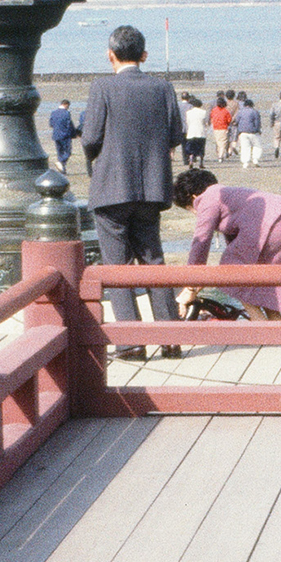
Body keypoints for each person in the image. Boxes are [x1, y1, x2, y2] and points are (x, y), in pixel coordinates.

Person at [78, 24, 186, 357]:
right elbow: (176, 134)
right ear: (144, 55)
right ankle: (170, 338)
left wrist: (97, 158)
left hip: (111, 186)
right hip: (152, 186)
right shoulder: (162, 87)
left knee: (117, 264)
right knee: (153, 258)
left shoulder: (103, 87)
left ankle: (130, 341)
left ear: (110, 55)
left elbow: (91, 137)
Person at [172, 168, 281, 321]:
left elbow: (201, 242)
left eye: (190, 209)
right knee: (264, 279)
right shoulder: (232, 194)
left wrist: (190, 286)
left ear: (193, 197)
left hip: (274, 225)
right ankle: (277, 325)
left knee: (233, 271)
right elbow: (236, 243)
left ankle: (259, 323)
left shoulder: (208, 197)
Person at [234, 92, 263, 167]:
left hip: (242, 132)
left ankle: (245, 163)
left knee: (245, 147)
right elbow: (257, 122)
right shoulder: (255, 112)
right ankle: (255, 159)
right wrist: (258, 130)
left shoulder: (240, 112)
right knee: (257, 146)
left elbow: (237, 121)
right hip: (253, 132)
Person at [47, 98, 76, 170]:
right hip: (65, 135)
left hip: (56, 135)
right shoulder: (66, 113)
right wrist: (74, 134)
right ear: (66, 105)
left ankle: (63, 169)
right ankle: (61, 162)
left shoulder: (53, 112)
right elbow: (69, 125)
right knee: (67, 152)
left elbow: (51, 124)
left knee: (59, 152)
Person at [181, 91, 209, 166]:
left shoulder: (189, 113)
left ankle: (190, 160)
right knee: (201, 148)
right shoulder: (203, 112)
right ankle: (201, 162)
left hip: (191, 132)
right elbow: (206, 122)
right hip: (201, 132)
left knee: (191, 148)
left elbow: (188, 122)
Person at [209, 91, 232, 161]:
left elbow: (211, 117)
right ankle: (220, 156)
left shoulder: (214, 110)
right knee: (223, 143)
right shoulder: (225, 111)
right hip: (223, 128)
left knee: (218, 142)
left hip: (215, 128)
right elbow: (229, 120)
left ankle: (219, 154)